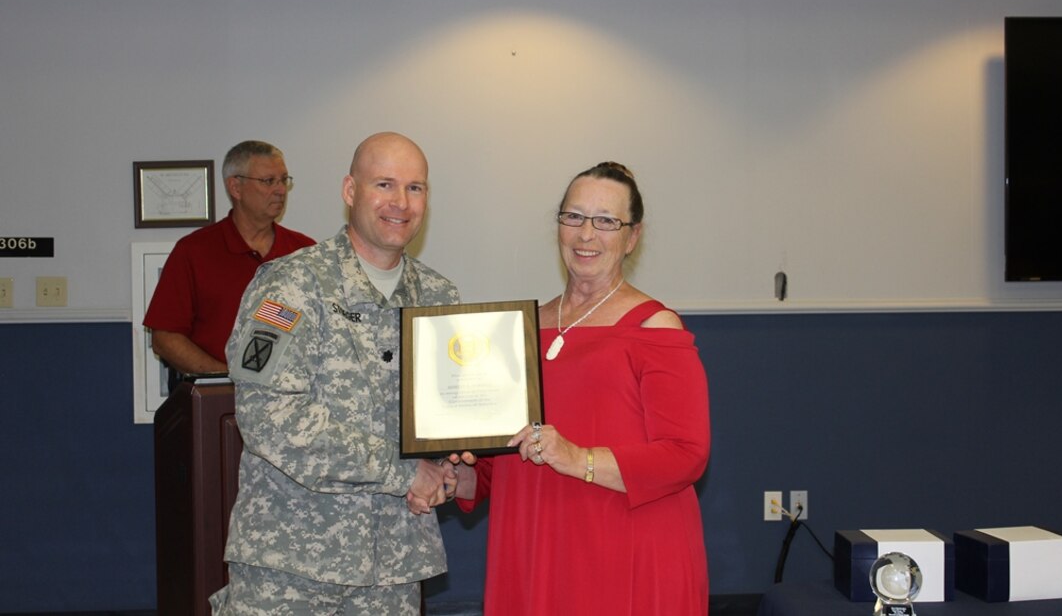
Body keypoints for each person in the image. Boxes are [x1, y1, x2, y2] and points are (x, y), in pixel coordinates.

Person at [211, 132, 460, 615]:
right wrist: (407, 470)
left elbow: (445, 417)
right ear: (350, 191)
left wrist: (452, 462)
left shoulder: (438, 297)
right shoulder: (290, 286)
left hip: (394, 566)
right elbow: (271, 417)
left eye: (415, 188)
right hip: (292, 566)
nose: (400, 203)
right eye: (384, 184)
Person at [452, 162, 711, 615]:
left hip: (623, 551)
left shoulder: (655, 326)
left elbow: (686, 453)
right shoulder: (521, 328)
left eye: (606, 221)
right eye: (573, 217)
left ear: (632, 237)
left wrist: (577, 458)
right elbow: (502, 460)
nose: (586, 234)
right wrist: (456, 474)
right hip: (534, 545)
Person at [143, 140, 315, 374]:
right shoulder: (194, 251)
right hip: (220, 396)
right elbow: (165, 338)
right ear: (235, 187)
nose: (280, 190)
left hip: (293, 400)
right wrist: (228, 380)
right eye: (268, 181)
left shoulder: (305, 251)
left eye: (284, 180)